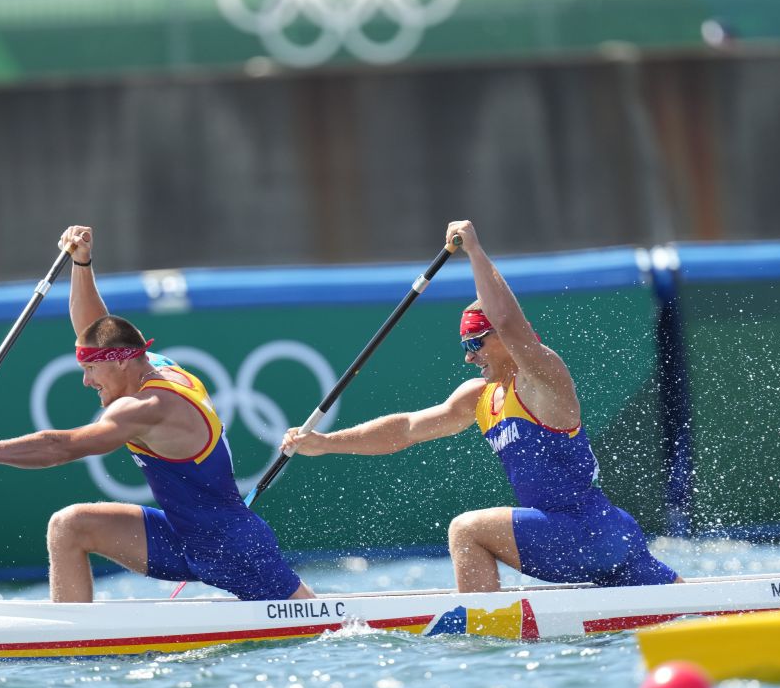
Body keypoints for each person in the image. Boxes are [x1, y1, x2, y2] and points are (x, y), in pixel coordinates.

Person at [281, 220, 681, 593]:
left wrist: (474, 251)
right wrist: (325, 442)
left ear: (503, 340)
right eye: (464, 348)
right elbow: (405, 429)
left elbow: (507, 322)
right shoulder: (479, 398)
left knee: (466, 531)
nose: (469, 358)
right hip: (609, 536)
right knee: (695, 608)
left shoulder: (543, 377)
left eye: (475, 344)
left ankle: (484, 640)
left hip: (582, 532)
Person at [0, 225, 314, 603]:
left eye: (91, 370)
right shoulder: (151, 363)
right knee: (69, 526)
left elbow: (63, 447)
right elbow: (95, 330)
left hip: (232, 548)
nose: (86, 381)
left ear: (120, 363)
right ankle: (73, 640)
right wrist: (82, 264)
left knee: (316, 620)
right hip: (180, 538)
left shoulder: (150, 407)